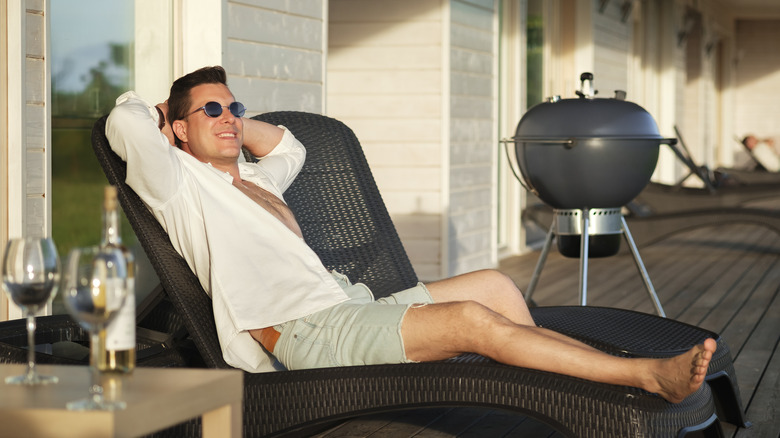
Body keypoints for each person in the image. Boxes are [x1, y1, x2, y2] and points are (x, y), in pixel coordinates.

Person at [106, 66, 715, 404]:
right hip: (306, 334)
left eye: (234, 108)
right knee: (474, 323)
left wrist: (230, 120)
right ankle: (639, 376)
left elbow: (289, 144)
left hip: (347, 306)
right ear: (179, 130)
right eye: (210, 111)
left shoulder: (258, 178)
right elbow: (121, 120)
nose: (229, 119)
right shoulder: (178, 184)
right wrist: (162, 115)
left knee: (498, 287)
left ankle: (569, 396)